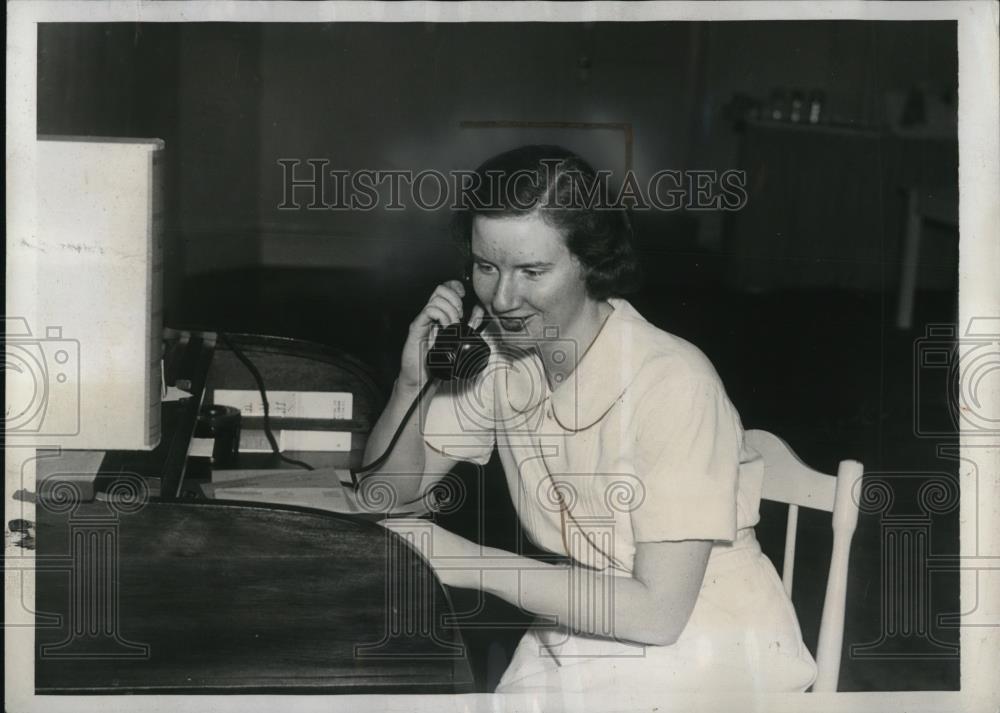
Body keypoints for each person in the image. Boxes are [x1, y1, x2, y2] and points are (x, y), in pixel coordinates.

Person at [361, 145, 817, 698]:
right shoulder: (498, 359)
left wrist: (468, 562)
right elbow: (386, 499)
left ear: (590, 264)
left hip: (706, 641)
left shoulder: (672, 381)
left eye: (532, 271)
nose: (503, 298)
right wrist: (412, 384)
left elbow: (658, 615)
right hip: (580, 623)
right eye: (486, 267)